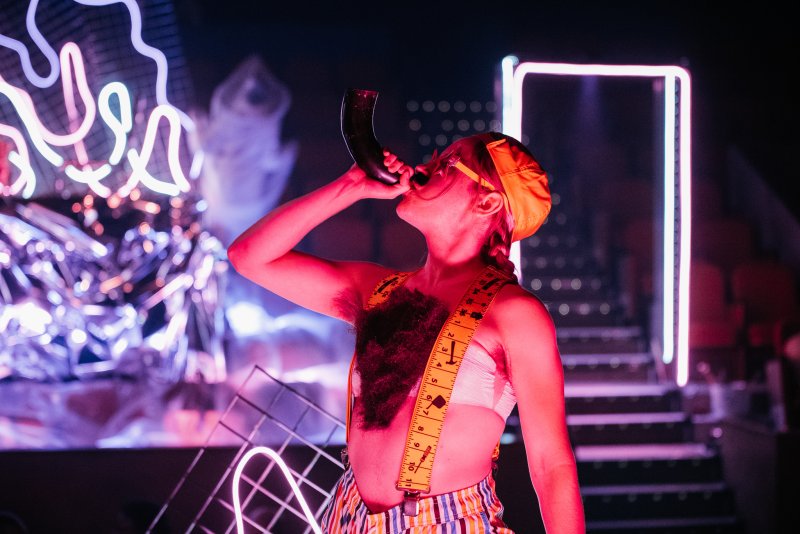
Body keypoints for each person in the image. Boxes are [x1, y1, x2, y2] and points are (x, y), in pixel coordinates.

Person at [227, 131, 585, 533]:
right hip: (349, 517)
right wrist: (351, 187)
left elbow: (551, 463)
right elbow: (249, 257)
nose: (425, 167)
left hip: (449, 522)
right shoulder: (377, 290)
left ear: (486, 202)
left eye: (448, 164)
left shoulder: (514, 313)